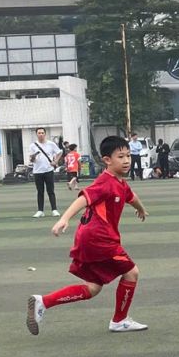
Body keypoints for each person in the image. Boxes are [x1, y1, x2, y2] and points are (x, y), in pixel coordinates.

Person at [26, 135, 147, 335]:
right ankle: (120, 320)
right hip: (99, 239)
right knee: (131, 273)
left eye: (128, 156)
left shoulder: (120, 183)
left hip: (88, 239)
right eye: (120, 157)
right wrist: (64, 219)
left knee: (93, 287)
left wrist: (141, 209)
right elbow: (83, 199)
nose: (126, 160)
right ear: (107, 160)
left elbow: (131, 197)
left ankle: (43, 302)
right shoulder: (105, 182)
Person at [30, 127, 62, 217]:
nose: (41, 134)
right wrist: (33, 156)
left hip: (48, 170)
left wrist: (55, 161)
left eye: (42, 133)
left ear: (45, 134)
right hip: (37, 171)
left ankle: (54, 209)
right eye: (39, 133)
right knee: (40, 191)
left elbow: (60, 152)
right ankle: (40, 210)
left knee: (50, 190)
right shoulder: (33, 145)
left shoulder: (51, 144)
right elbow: (31, 160)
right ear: (36, 134)